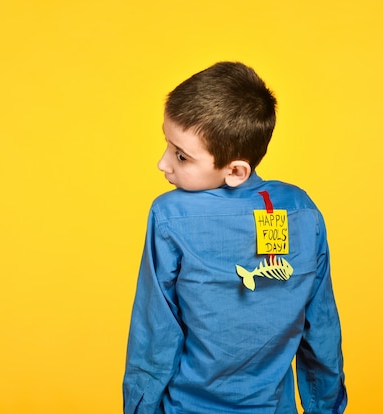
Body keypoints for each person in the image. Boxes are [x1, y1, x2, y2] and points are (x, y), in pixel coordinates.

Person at [123, 62, 347, 414]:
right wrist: (326, 408)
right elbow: (321, 334)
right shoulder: (304, 212)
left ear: (236, 170)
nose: (163, 164)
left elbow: (155, 339)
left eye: (181, 156)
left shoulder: (170, 216)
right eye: (167, 145)